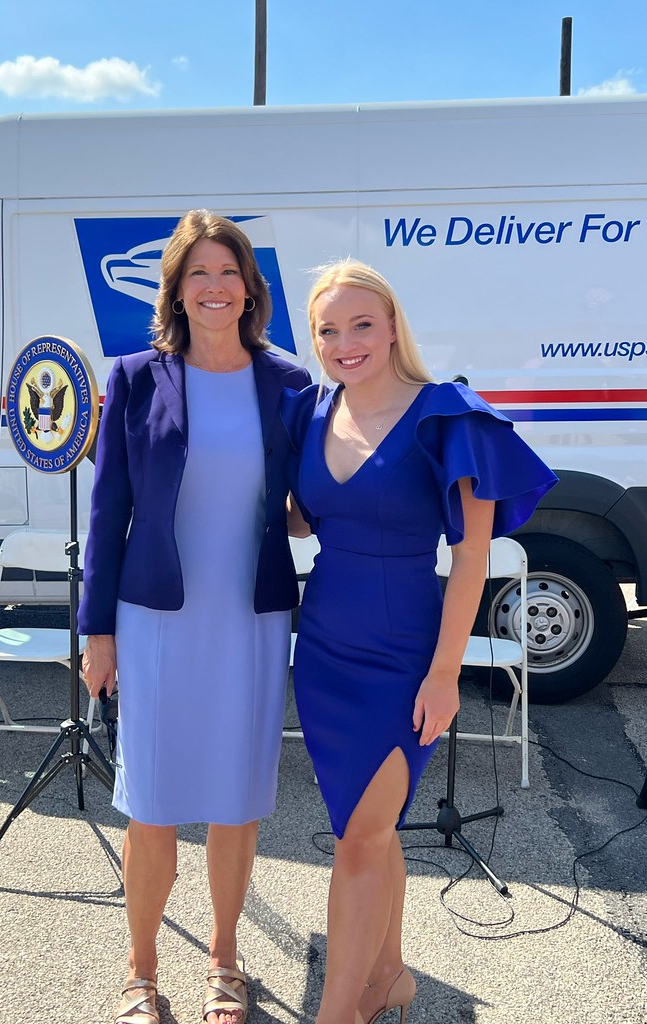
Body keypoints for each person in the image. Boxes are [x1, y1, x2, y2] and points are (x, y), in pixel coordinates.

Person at [282, 260, 557, 1024]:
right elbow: (306, 517)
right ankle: (388, 979)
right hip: (326, 642)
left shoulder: (446, 414)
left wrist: (445, 675)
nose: (345, 342)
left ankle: (335, 1014)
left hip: (405, 651)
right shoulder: (310, 413)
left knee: (359, 841)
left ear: (394, 325)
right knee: (367, 830)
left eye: (362, 324)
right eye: (328, 330)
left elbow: (471, 555)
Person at [78, 210, 311, 1024]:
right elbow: (109, 512)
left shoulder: (290, 384)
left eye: (228, 272)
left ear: (250, 288)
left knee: (237, 802)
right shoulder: (136, 377)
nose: (214, 288)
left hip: (249, 620)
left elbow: (308, 494)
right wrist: (96, 632)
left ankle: (223, 957)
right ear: (175, 289)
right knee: (153, 808)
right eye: (198, 274)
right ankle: (140, 971)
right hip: (155, 623)